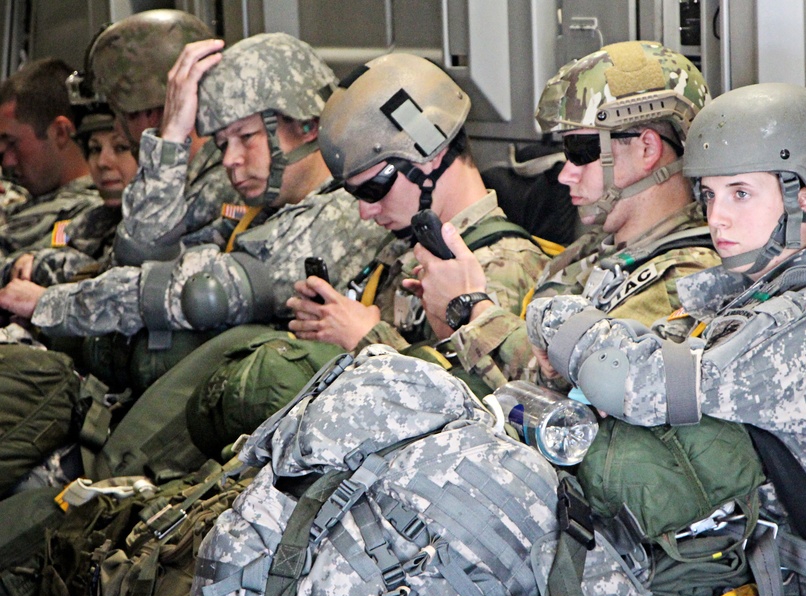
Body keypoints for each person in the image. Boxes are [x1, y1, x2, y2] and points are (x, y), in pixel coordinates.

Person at [527, 82, 806, 596]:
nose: (716, 216)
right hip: (690, 555)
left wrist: (550, 316)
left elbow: (633, 383)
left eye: (740, 193)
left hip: (759, 592)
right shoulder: (745, 299)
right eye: (709, 195)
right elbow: (649, 348)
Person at [0, 33, 383, 345]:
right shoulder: (266, 209)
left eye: (246, 137)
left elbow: (202, 293)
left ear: (307, 125)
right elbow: (142, 256)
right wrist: (172, 138)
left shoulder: (347, 210)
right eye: (222, 143)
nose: (230, 159)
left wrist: (53, 304)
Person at [411, 41, 719, 391]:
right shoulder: (593, 252)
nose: (564, 174)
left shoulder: (687, 281)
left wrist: (470, 307)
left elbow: (583, 393)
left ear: (647, 149)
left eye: (580, 151)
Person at [287, 52, 548, 356]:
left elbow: (475, 395)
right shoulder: (407, 244)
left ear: (431, 151)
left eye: (374, 189)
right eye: (355, 194)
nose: (365, 210)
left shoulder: (498, 270)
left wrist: (364, 338)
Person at [87, 9, 241, 265]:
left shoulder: (213, 187)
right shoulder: (202, 174)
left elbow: (138, 269)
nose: (116, 123)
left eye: (118, 112)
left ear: (148, 113)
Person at [1, 76, 138, 286]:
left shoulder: (153, 224)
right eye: (94, 149)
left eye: (121, 148)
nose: (102, 162)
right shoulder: (95, 222)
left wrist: (38, 267)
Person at [0, 58, 102, 256]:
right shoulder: (24, 200)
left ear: (60, 133)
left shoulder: (92, 214)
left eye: (12, 142)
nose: (7, 161)